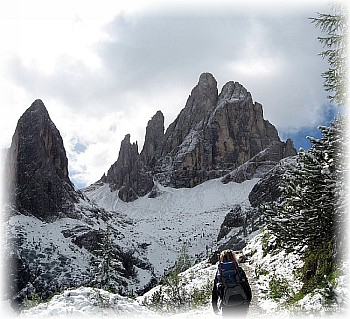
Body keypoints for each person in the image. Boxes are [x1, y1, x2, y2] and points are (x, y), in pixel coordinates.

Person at [212, 249, 252, 317]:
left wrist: (215, 307)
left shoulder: (220, 272)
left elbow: (215, 292)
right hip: (241, 303)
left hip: (226, 305)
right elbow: (246, 286)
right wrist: (248, 301)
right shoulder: (238, 270)